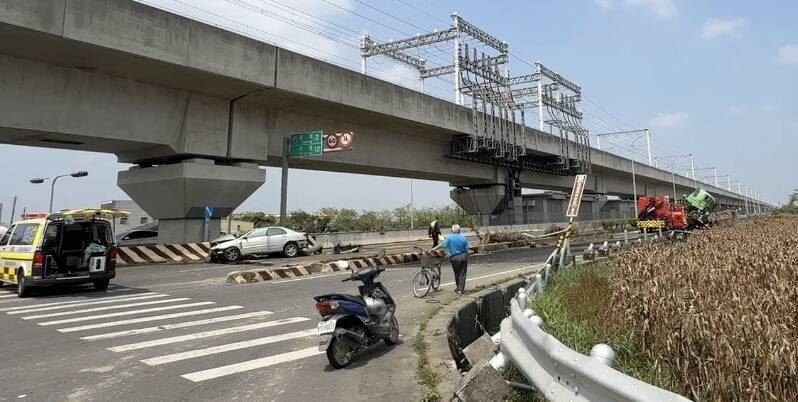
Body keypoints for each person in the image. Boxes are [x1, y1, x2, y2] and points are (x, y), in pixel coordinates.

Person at [429, 224, 469, 294]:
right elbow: (466, 249)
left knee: (457, 273)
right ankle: (460, 289)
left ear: (452, 231)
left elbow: (441, 245)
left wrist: (432, 249)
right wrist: (465, 256)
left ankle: (459, 288)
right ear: (459, 230)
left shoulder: (449, 238)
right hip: (463, 256)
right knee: (462, 273)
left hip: (455, 257)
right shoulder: (463, 238)